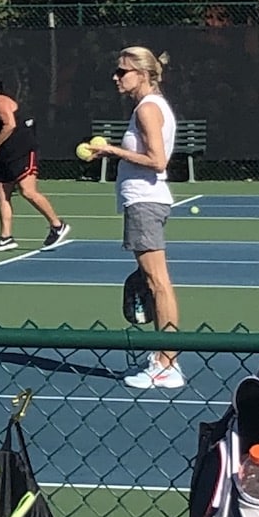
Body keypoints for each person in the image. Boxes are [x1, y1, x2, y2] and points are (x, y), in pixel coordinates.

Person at [83, 46, 182, 388]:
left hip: (145, 202)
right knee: (154, 283)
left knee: (158, 283)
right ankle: (163, 357)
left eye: (122, 71)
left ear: (142, 74)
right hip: (143, 202)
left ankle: (167, 364)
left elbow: (157, 161)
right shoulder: (149, 106)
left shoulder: (148, 109)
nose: (116, 77)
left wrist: (111, 150)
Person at [0, 72, 71, 253]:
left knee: (27, 191)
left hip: (22, 152)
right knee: (1, 193)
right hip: (5, 157)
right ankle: (5, 238)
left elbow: (10, 125)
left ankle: (57, 225)